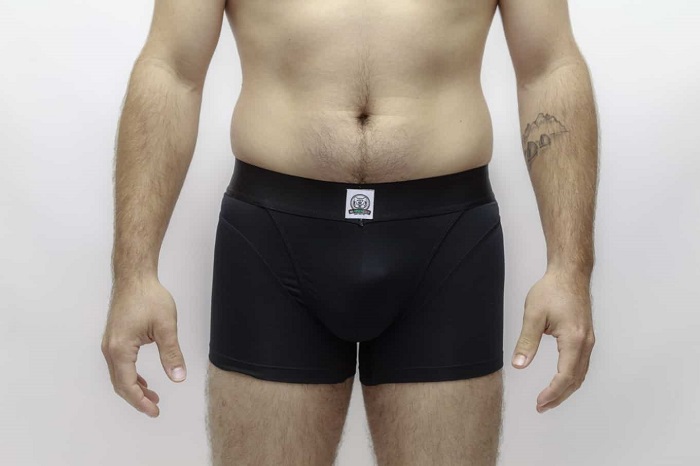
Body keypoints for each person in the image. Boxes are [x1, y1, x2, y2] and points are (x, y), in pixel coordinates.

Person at [101, 0, 598, 464]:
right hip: (273, 237)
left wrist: (570, 269)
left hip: (446, 240)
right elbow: (171, 70)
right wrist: (134, 273)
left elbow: (549, 67)